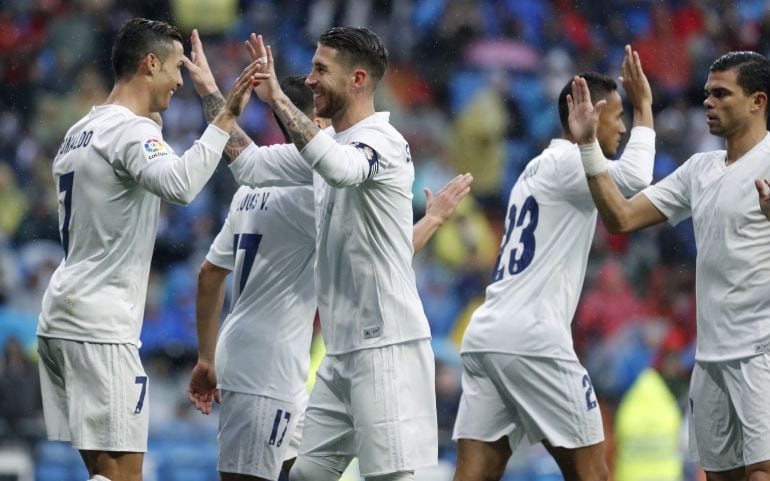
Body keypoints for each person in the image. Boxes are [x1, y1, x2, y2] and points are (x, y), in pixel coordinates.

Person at [185, 28, 472, 479]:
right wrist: (210, 91)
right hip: (340, 354)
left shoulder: (383, 141)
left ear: (358, 79)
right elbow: (249, 165)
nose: (311, 79)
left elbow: (340, 171)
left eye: (321, 69)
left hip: (386, 347)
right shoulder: (326, 149)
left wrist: (278, 96)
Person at [35, 18, 264, 481]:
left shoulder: (82, 130)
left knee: (104, 473)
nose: (181, 80)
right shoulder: (129, 132)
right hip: (101, 326)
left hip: (62, 318)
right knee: (125, 477)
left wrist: (164, 117)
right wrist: (223, 117)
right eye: (177, 68)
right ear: (150, 63)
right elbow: (180, 185)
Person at [452, 45, 655, 481]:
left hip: (488, 335)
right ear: (591, 114)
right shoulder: (569, 163)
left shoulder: (537, 167)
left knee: (475, 473)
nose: (622, 126)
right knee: (592, 473)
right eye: (617, 115)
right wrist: (646, 105)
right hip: (533, 339)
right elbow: (636, 179)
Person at [569, 51, 770, 481]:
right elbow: (620, 218)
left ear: (758, 101)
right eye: (706, 94)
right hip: (711, 357)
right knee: (719, 475)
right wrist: (588, 146)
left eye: (721, 94)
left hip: (762, 352)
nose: (708, 103)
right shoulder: (700, 169)